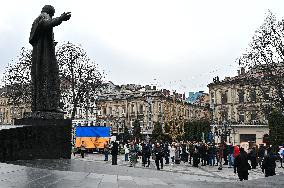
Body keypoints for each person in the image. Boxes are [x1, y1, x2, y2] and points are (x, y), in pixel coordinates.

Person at [29, 5, 71, 111]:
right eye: (52, 15)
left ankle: (40, 106)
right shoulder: (43, 17)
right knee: (52, 76)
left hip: (40, 55)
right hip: (45, 56)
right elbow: (46, 24)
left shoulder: (36, 20)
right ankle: (51, 106)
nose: (52, 17)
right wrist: (60, 19)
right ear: (50, 13)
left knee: (40, 78)